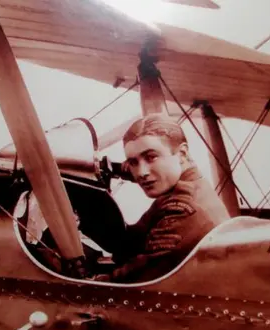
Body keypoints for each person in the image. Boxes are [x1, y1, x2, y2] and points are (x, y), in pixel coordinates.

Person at [95, 113, 230, 283]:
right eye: (133, 162)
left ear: (182, 153)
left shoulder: (182, 207)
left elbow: (140, 278)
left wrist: (90, 281)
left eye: (151, 157)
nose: (141, 172)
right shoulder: (190, 185)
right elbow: (128, 245)